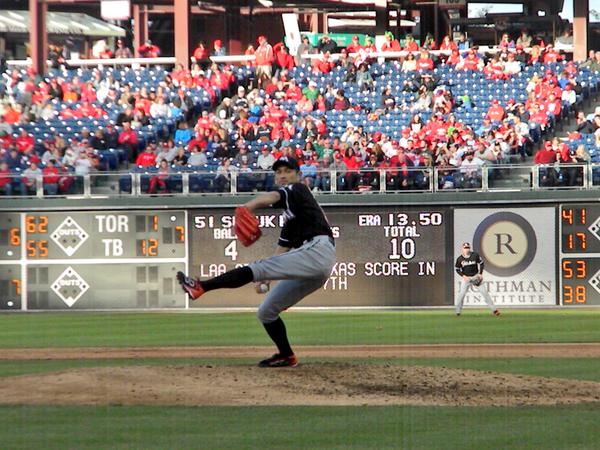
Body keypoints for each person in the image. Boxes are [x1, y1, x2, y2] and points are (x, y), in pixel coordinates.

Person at [177, 156, 336, 368]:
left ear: (298, 174)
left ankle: (201, 287)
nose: (282, 176)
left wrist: (248, 207)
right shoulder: (292, 216)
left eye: (287, 171)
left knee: (256, 268)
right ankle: (286, 355)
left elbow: (271, 197)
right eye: (278, 172)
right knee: (267, 312)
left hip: (317, 250)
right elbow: (282, 249)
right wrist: (267, 278)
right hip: (316, 263)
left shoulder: (299, 189)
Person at [454, 242, 500, 316]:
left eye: (468, 248)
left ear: (470, 248)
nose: (466, 249)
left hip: (476, 277)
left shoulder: (475, 255)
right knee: (461, 295)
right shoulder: (460, 259)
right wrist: (463, 276)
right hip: (467, 279)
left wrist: (480, 274)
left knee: (485, 293)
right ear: (462, 249)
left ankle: (494, 310)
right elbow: (457, 269)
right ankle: (458, 312)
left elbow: (481, 263)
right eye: (465, 248)